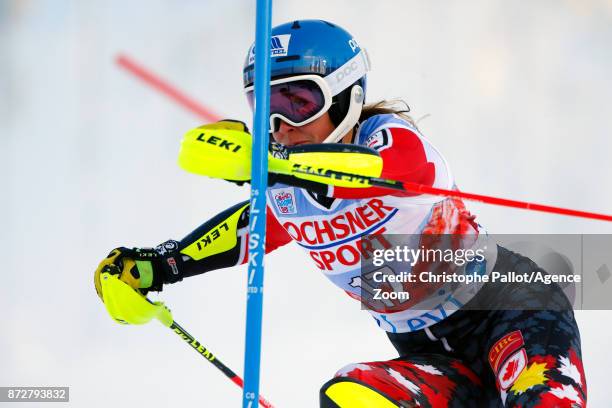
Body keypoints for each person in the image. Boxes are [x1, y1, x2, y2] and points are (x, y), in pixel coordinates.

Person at [94, 20, 587, 407]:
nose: (281, 124)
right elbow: (245, 231)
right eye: (264, 105)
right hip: (429, 356)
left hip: (512, 312)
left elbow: (364, 171)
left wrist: (268, 161)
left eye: (297, 101)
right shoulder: (286, 190)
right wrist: (157, 265)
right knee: (352, 394)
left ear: (346, 95)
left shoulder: (388, 139)